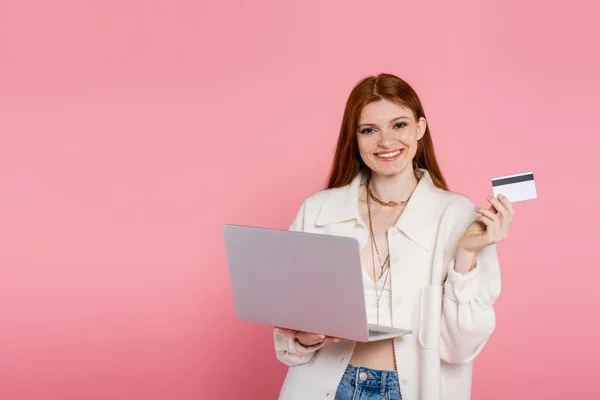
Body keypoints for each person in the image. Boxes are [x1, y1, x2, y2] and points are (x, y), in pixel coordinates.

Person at [272, 73, 513, 400]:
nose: (386, 142)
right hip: (323, 388)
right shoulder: (318, 211)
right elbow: (286, 343)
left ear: (420, 129)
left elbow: (460, 348)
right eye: (369, 130)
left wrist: (466, 258)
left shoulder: (457, 215)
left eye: (398, 125)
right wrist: (305, 337)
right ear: (355, 138)